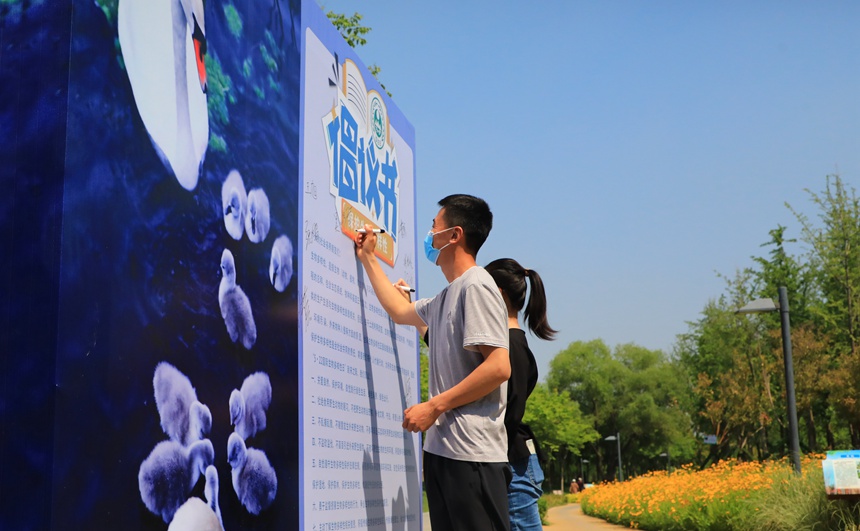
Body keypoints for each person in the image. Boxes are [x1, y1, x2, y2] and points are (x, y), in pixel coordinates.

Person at [355, 194, 512, 531]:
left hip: (474, 458)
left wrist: (434, 406)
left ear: (454, 235)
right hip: (444, 454)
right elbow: (399, 312)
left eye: (433, 227)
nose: (429, 235)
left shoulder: (477, 286)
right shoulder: (444, 297)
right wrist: (369, 258)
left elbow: (499, 367)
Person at [484, 258, 557, 530]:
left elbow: (510, 412)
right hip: (518, 464)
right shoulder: (510, 343)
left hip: (515, 466)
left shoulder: (511, 346)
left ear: (498, 293)